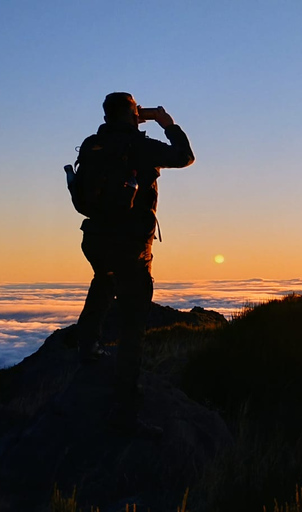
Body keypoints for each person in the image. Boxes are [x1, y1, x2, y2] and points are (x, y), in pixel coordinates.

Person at [74, 92, 194, 437]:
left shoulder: (91, 144)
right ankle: (125, 406)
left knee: (103, 277)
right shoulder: (140, 146)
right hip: (129, 242)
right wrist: (165, 121)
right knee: (133, 317)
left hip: (93, 237)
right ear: (132, 113)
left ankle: (87, 347)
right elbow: (185, 157)